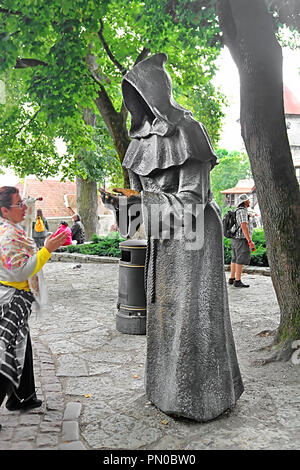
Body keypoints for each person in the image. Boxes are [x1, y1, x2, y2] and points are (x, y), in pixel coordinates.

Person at [109, 53, 244, 422]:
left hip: (194, 238)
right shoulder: (139, 142)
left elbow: (194, 201)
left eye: (140, 94)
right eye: (130, 97)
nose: (136, 104)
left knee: (192, 316)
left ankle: (202, 398)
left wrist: (141, 200)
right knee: (165, 315)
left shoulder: (188, 130)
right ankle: (165, 391)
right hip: (164, 239)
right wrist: (121, 204)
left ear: (155, 93)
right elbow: (138, 207)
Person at [0, 186, 67, 428]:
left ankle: (22, 396)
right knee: (6, 354)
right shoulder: (7, 235)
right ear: (4, 210)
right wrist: (46, 250)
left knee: (22, 347)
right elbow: (20, 270)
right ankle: (18, 397)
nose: (24, 207)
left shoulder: (12, 228)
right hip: (12, 301)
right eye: (19, 204)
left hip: (16, 298)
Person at [229, 193, 255, 288]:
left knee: (234, 258)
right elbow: (244, 225)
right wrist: (249, 241)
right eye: (248, 200)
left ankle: (232, 278)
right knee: (240, 258)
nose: (249, 201)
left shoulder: (236, 210)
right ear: (244, 201)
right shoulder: (243, 211)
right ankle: (238, 280)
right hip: (241, 239)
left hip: (234, 238)